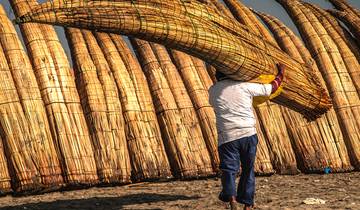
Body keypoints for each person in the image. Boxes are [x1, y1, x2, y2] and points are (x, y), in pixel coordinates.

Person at [209, 64, 285, 210]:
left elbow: (214, 104)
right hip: (248, 133)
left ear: (217, 77)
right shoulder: (245, 86)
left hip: (227, 136)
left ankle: (231, 198)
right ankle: (248, 204)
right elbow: (271, 88)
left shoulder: (213, 91)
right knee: (248, 168)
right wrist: (280, 74)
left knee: (229, 169)